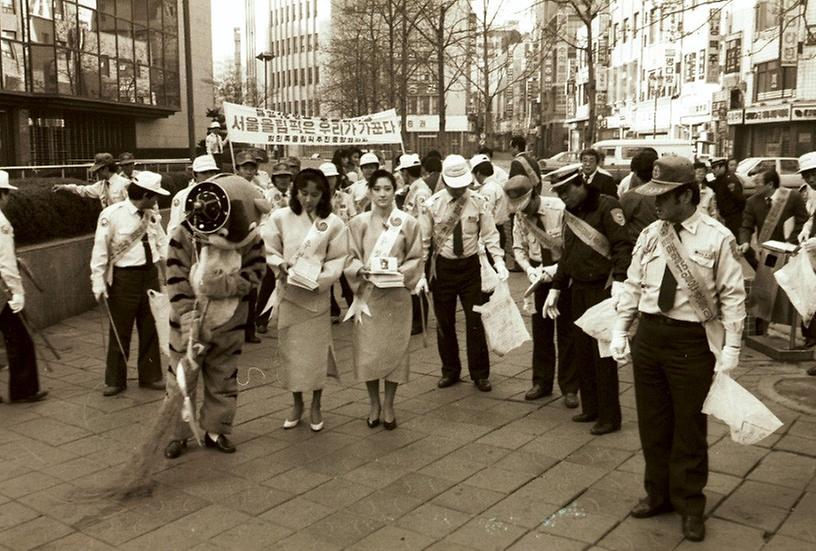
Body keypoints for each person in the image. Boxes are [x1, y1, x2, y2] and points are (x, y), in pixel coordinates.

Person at [611, 156, 746, 543]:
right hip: (650, 335)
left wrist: (732, 349)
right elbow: (634, 284)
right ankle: (658, 494)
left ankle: (690, 504)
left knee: (688, 425)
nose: (656, 205)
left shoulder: (717, 237)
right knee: (653, 422)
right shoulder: (652, 233)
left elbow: (733, 297)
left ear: (687, 195)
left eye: (664, 197)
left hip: (691, 340)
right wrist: (621, 330)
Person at [164, 174, 270, 458]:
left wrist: (224, 286)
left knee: (223, 378)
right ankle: (177, 433)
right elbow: (174, 275)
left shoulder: (251, 240)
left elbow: (256, 273)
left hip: (229, 321)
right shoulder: (184, 234)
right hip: (189, 323)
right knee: (181, 380)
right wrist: (186, 314)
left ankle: (216, 429)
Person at [542, 166, 633, 435]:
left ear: (581, 184)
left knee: (602, 355)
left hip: (603, 289)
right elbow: (567, 254)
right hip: (578, 289)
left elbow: (621, 246)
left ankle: (609, 416)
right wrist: (556, 288)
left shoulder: (607, 206)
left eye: (566, 191)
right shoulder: (571, 213)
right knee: (582, 352)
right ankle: (591, 408)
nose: (563, 198)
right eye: (558, 193)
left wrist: (618, 278)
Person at [262, 168, 348, 432]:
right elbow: (268, 248)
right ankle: (296, 403)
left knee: (316, 353)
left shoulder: (333, 223)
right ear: (295, 192)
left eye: (315, 194)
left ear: (324, 195)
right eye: (303, 193)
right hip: (290, 294)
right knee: (291, 352)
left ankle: (316, 404)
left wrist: (321, 279)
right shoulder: (280, 217)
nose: (308, 200)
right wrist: (280, 264)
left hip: (316, 295)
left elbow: (338, 258)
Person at [420, 155, 509, 392]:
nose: (459, 189)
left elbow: (490, 235)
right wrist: (421, 274)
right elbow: (424, 242)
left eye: (462, 184)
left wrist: (499, 261)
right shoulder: (432, 205)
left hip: (470, 267)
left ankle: (480, 374)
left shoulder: (479, 202)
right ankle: (450, 370)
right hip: (443, 269)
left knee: (475, 320)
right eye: (454, 184)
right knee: (444, 322)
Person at [345, 170, 424, 430]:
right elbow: (349, 256)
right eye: (377, 189)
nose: (382, 194)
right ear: (369, 191)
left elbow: (416, 257)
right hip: (368, 295)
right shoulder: (358, 223)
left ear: (395, 190)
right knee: (369, 352)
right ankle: (373, 403)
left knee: (395, 352)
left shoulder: (408, 222)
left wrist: (404, 271)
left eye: (387, 188)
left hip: (396, 297)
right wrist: (359, 270)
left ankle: (389, 403)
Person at [90, 171, 168, 396]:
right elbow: (100, 251)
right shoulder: (112, 214)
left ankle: (151, 375)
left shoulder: (151, 215)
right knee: (120, 328)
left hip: (149, 275)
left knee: (150, 326)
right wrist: (98, 283)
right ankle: (115, 379)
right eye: (154, 196)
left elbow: (161, 243)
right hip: (125, 278)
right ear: (145, 194)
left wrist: (169, 271)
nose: (156, 201)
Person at [505, 174, 578, 407]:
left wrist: (556, 269)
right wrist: (529, 270)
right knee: (541, 332)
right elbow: (518, 248)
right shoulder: (520, 216)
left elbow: (573, 246)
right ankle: (542, 382)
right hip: (538, 275)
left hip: (563, 273)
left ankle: (570, 388)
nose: (522, 212)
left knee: (567, 332)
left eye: (525, 206)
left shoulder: (559, 208)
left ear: (534, 195)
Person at [0, 171, 48, 404]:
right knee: (20, 339)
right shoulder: (1, 223)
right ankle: (23, 390)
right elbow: (5, 263)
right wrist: (17, 292)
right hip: (2, 290)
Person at [738, 169, 808, 270]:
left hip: (790, 249)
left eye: (758, 182)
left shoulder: (793, 197)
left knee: (790, 281)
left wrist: (792, 241)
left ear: (770, 184)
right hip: (769, 251)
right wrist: (745, 242)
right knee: (772, 277)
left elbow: (803, 221)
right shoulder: (752, 202)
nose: (755, 185)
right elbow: (746, 226)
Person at [256, 162, 295, 334]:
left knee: (293, 280)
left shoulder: (296, 195)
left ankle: (290, 318)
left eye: (286, 177)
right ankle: (261, 318)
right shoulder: (267, 195)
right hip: (273, 242)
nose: (283, 180)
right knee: (269, 280)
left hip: (293, 242)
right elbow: (262, 219)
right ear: (274, 179)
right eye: (280, 177)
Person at [398, 153, 433, 335]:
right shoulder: (413, 189)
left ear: (405, 172)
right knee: (412, 280)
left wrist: (424, 249)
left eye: (401, 172)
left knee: (419, 281)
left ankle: (420, 320)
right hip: (411, 242)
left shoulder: (421, 193)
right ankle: (415, 318)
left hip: (419, 243)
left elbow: (425, 225)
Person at [320, 162, 356, 322]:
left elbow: (353, 218)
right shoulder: (317, 199)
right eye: (326, 178)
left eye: (332, 177)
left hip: (344, 242)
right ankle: (333, 309)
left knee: (347, 277)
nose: (329, 181)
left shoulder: (345, 197)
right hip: (324, 244)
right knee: (327, 278)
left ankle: (354, 308)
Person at [166, 155, 221, 247]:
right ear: (195, 174)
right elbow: (175, 226)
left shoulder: (221, 194)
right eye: (204, 172)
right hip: (193, 244)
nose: (209, 176)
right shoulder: (183, 196)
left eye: (212, 172)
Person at [53, 152, 128, 208]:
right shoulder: (101, 185)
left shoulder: (124, 184)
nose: (97, 173)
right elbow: (84, 190)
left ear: (106, 168)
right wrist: (65, 187)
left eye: (98, 170)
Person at [620, 149, 659, 241]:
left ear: (636, 172)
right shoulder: (667, 194)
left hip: (636, 246)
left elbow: (620, 224)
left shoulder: (629, 197)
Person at [710, 157, 745, 237]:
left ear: (722, 167)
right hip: (725, 217)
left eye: (715, 168)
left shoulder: (730, 179)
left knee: (736, 240)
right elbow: (712, 186)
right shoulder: (720, 179)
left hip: (734, 217)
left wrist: (736, 213)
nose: (713, 171)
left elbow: (740, 199)